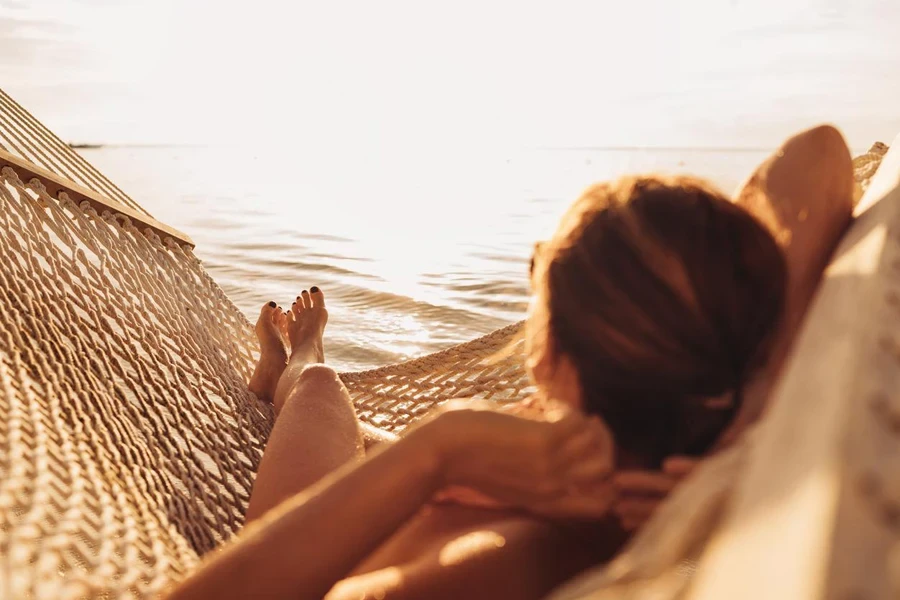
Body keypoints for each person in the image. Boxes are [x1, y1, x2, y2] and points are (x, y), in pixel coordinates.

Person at [166, 125, 854, 600]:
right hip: (471, 470)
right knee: (359, 428)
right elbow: (820, 153)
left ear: (550, 354)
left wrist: (443, 447)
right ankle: (292, 367)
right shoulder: (712, 420)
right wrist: (757, 393)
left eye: (539, 274)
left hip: (333, 531)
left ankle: (298, 355)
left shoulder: (518, 554)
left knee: (319, 389)